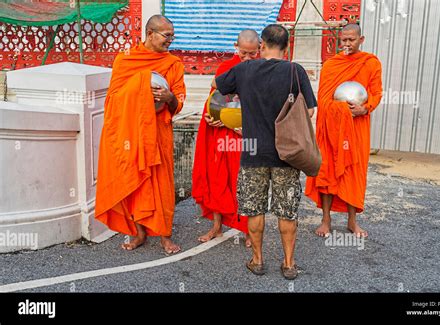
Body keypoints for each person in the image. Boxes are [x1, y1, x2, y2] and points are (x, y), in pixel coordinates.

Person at [212, 24, 316, 280]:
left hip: (253, 154)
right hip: (287, 154)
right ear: (287, 47)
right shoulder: (295, 71)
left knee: (255, 209)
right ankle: (289, 264)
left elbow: (217, 85)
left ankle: (257, 260)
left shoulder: (245, 69)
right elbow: (310, 111)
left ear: (261, 46)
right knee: (287, 211)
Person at [95, 15, 186, 255]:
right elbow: (113, 100)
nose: (170, 40)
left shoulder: (173, 63)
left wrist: (169, 99)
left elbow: (179, 100)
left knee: (163, 184)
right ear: (150, 34)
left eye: (172, 36)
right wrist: (141, 86)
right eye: (167, 36)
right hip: (133, 133)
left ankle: (165, 236)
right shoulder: (125, 61)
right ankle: (139, 232)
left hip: (158, 133)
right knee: (135, 181)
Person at [305, 23, 383, 238]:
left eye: (352, 40)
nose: (347, 44)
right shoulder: (331, 65)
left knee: (353, 171)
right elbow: (323, 98)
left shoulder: (370, 63)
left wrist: (364, 108)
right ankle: (326, 220)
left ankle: (352, 221)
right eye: (344, 40)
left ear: (361, 39)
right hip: (333, 128)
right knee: (328, 170)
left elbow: (376, 92)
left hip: (357, 126)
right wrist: (339, 110)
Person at [192, 30, 260, 248]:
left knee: (244, 180)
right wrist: (211, 118)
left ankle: (248, 230)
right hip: (222, 131)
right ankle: (217, 225)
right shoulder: (225, 68)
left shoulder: (262, 69)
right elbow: (215, 98)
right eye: (243, 54)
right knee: (217, 176)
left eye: (252, 53)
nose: (248, 59)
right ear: (235, 47)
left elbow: (263, 105)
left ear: (259, 48)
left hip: (243, 133)